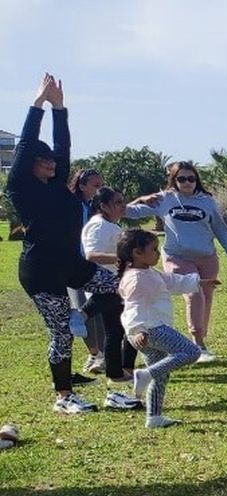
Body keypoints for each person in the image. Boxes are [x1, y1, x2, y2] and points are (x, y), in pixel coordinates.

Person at [6, 73, 123, 414]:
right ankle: (64, 396)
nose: (52, 164)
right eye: (44, 162)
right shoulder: (21, 188)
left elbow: (63, 147)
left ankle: (82, 315)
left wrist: (61, 108)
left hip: (70, 264)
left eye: (52, 162)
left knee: (115, 286)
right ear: (30, 165)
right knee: (61, 335)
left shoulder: (58, 185)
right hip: (41, 272)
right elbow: (26, 143)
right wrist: (38, 104)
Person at [131, 162, 227, 362]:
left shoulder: (207, 201)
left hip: (207, 257)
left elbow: (221, 229)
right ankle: (198, 345)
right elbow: (128, 212)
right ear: (174, 180)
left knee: (206, 300)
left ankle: (200, 339)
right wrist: (140, 199)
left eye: (191, 178)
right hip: (177, 256)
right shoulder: (164, 199)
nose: (187, 182)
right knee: (194, 295)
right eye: (182, 179)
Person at [116, 229, 214, 428]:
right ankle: (145, 374)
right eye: (153, 250)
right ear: (137, 253)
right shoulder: (136, 278)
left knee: (161, 375)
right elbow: (133, 307)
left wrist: (199, 282)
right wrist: (138, 330)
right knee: (191, 351)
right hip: (151, 329)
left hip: (149, 330)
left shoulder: (149, 273)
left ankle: (154, 417)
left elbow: (172, 282)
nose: (158, 254)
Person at [81, 186, 148, 410]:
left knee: (120, 329)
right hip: (108, 285)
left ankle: (121, 371)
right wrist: (124, 259)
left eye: (123, 201)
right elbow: (91, 255)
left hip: (118, 284)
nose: (123, 206)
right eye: (118, 202)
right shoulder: (99, 225)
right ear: (104, 206)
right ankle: (116, 372)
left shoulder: (110, 224)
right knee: (118, 330)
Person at [70, 168, 107, 374]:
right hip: (73, 266)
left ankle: (100, 354)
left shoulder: (94, 208)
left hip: (92, 266)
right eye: (96, 185)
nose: (99, 189)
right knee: (80, 310)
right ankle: (94, 353)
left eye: (101, 185)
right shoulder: (71, 206)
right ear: (82, 185)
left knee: (95, 311)